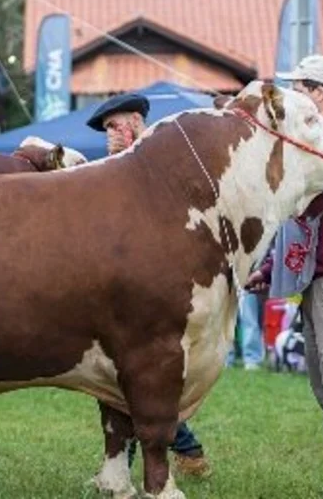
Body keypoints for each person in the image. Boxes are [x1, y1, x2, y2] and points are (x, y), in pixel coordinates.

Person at [244, 54, 323, 499]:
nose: (293, 97)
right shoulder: (318, 147)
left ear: (317, 92)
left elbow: (313, 205)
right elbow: (298, 229)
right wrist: (269, 270)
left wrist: (282, 194)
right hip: (316, 278)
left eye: (300, 88)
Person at [86, 91, 212, 478]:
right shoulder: (110, 167)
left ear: (136, 122)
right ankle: (128, 462)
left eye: (113, 125)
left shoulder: (163, 161)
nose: (109, 134)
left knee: (142, 377)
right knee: (123, 380)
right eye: (106, 128)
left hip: (157, 285)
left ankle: (184, 451)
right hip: (118, 283)